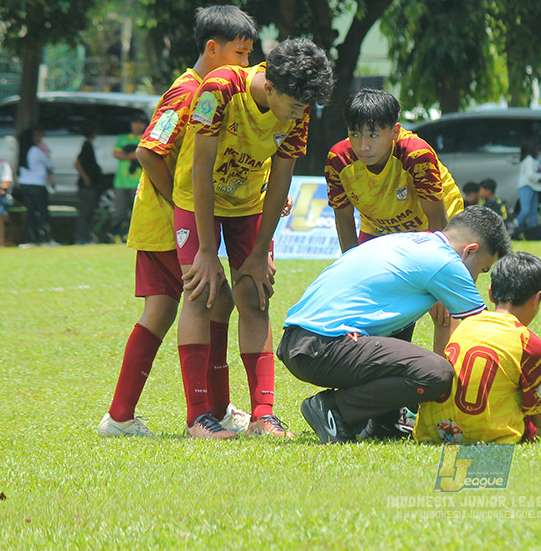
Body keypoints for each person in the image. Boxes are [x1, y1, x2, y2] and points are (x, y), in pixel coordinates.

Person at [97, 5, 258, 438]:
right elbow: (148, 152)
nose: (246, 63)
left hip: (166, 222)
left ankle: (121, 416)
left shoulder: (217, 92)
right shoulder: (188, 92)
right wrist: (179, 204)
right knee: (214, 299)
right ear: (213, 48)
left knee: (162, 310)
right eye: (240, 53)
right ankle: (212, 412)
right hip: (166, 222)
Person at [173, 36, 334, 439]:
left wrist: (261, 253)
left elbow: (281, 180)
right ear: (271, 86)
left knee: (254, 294)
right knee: (200, 293)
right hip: (198, 199)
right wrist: (206, 250)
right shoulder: (219, 90)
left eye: (304, 108)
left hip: (248, 204)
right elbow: (201, 170)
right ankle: (197, 419)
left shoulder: (298, 109)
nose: (299, 114)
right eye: (294, 106)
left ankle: (263, 415)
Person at [276, 206, 516, 444]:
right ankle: (335, 410)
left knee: (402, 328)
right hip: (324, 346)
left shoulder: (410, 241)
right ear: (470, 250)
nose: (474, 278)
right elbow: (489, 330)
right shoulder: (445, 262)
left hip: (300, 343)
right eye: (482, 269)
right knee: (437, 373)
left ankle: (386, 420)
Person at [414, 252, 541, 443]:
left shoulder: (467, 324)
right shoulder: (529, 342)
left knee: (531, 390)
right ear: (536, 298)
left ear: (491, 293)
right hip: (485, 433)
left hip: (435, 430)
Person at [325, 88, 464, 253]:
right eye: (354, 134)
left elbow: (437, 218)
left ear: (395, 132)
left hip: (435, 224)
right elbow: (343, 219)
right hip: (379, 227)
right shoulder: (339, 160)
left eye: (373, 135)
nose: (363, 147)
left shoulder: (416, 155)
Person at [17, 127, 55, 247]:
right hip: (37, 184)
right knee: (43, 212)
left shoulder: (22, 151)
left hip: (25, 184)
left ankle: (29, 239)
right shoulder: (36, 150)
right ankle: (45, 238)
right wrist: (46, 151)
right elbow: (49, 164)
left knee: (30, 212)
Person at [110, 115, 147, 239]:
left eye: (140, 123)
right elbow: (116, 153)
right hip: (121, 182)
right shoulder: (123, 138)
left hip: (138, 182)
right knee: (119, 211)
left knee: (138, 212)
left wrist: (132, 155)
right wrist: (130, 156)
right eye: (135, 123)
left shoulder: (145, 138)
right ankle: (115, 235)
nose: (137, 126)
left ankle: (137, 235)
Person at [515, 139, 541, 239]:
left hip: (534, 186)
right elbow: (530, 175)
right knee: (526, 210)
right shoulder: (529, 160)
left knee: (533, 212)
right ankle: (514, 226)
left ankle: (532, 232)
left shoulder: (535, 160)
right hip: (526, 186)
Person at [74, 127, 102, 245]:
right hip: (87, 186)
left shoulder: (88, 145)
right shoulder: (86, 146)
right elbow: (77, 163)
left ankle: (87, 237)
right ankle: (81, 237)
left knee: (89, 212)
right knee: (85, 212)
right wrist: (86, 178)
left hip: (91, 185)